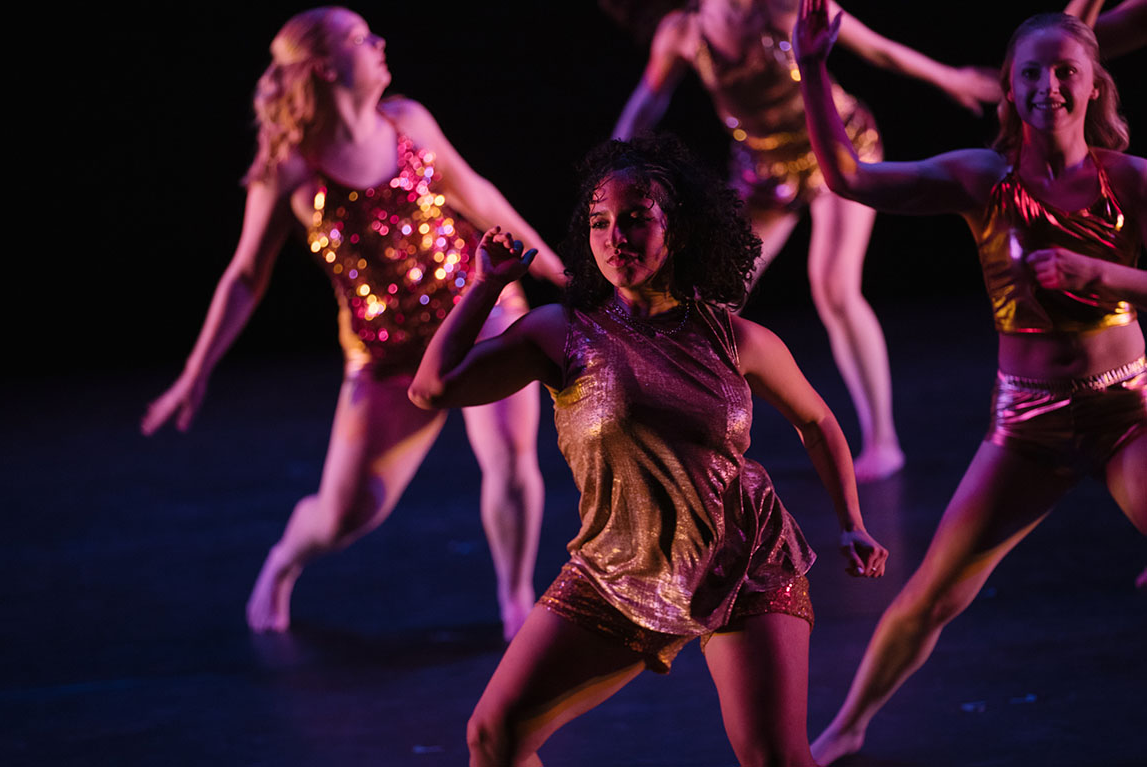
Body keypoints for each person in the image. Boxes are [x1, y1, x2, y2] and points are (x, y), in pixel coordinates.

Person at [409, 134, 888, 767]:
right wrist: (484, 287)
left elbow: (817, 420)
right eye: (600, 222)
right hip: (618, 568)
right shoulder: (562, 334)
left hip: (742, 556)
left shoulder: (734, 337)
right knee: (493, 737)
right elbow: (432, 388)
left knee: (776, 758)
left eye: (635, 218)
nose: (615, 237)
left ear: (678, 230)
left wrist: (851, 521)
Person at [141, 6, 567, 641]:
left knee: (510, 458)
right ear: (324, 66)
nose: (379, 43)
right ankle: (284, 561)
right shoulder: (291, 169)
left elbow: (476, 194)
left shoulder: (408, 121)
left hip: (479, 312)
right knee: (348, 514)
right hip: (387, 351)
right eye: (361, 38)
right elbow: (245, 276)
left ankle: (514, 602)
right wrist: (194, 372)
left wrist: (552, 267)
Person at [793, 3, 1146, 763]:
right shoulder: (982, 179)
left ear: (1094, 86)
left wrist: (1102, 275)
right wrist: (814, 68)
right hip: (1029, 421)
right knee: (932, 595)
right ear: (1009, 89)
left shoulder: (1132, 181)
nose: (1049, 87)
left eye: (1066, 72)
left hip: (1127, 409)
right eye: (1031, 73)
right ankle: (847, 726)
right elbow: (848, 177)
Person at [612, 0, 1003, 482]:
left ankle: (883, 441)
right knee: (709, 298)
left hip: (838, 151)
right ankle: (695, 436)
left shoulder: (784, 9)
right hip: (765, 171)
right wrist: (614, 162)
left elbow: (877, 49)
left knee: (834, 287)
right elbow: (648, 101)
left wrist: (951, 78)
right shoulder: (683, 33)